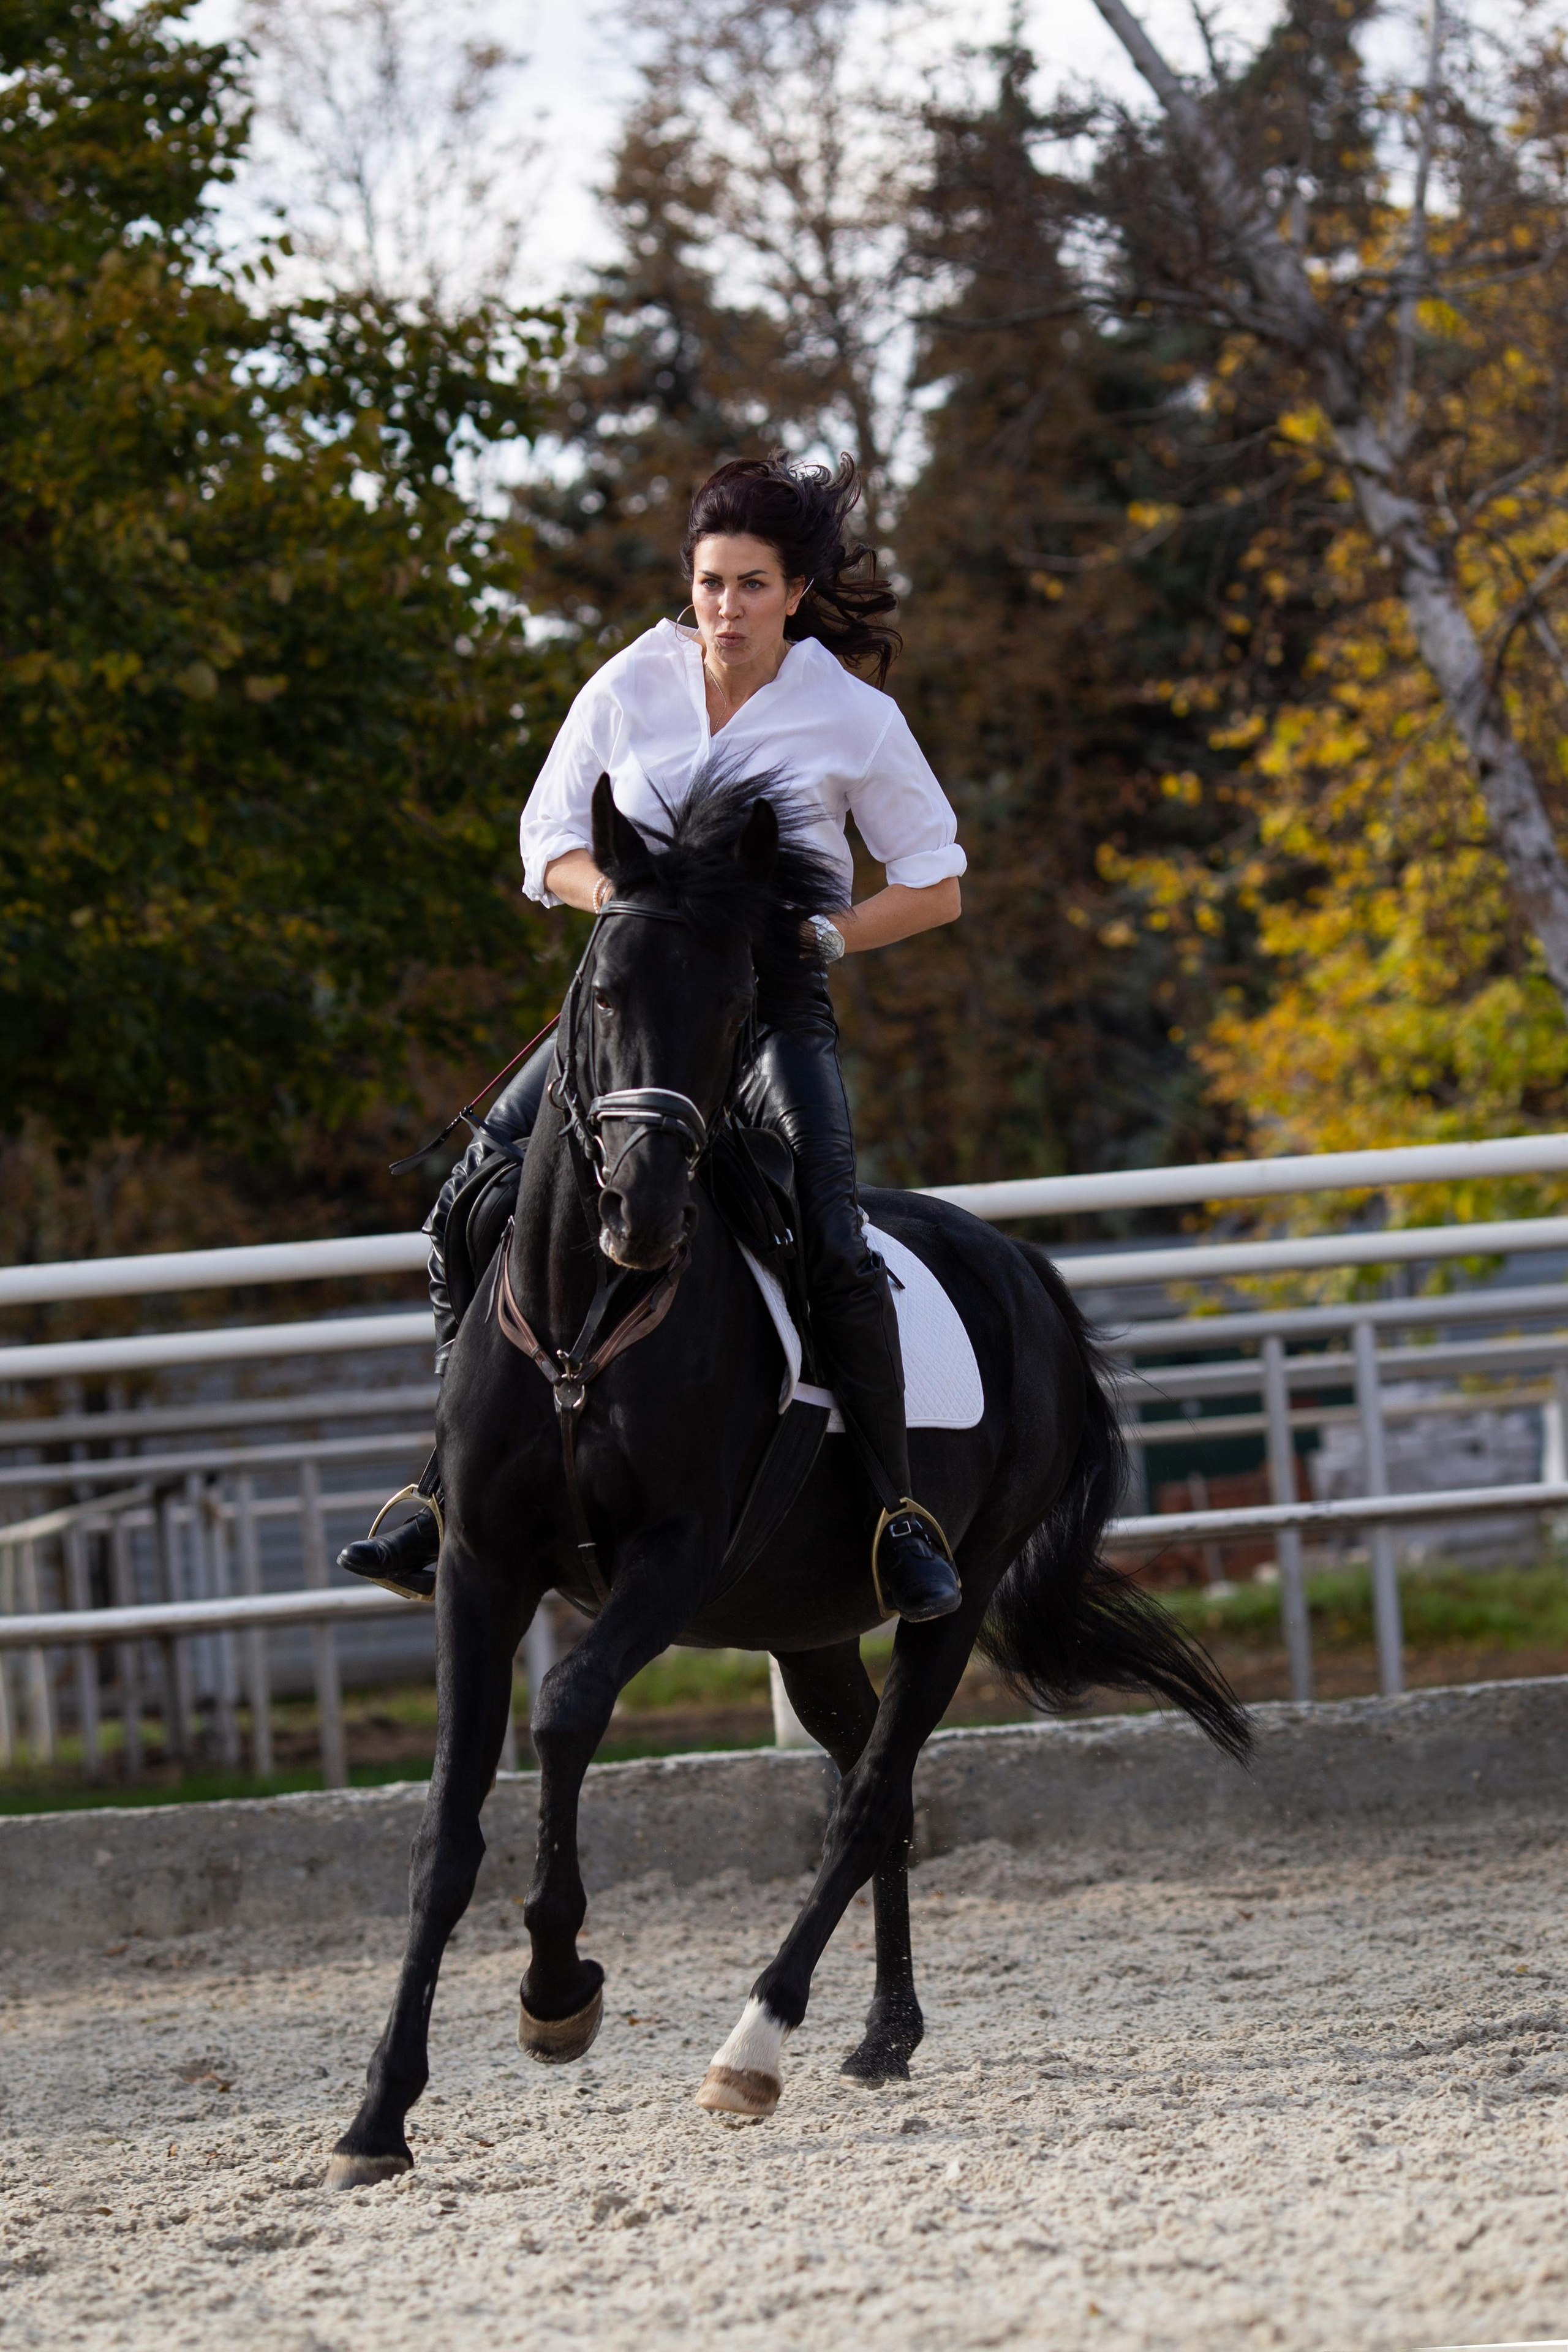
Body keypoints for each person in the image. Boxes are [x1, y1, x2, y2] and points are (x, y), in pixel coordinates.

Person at [341, 452, 967, 1619]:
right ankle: (441, 1490)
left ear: (795, 592)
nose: (723, 610)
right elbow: (545, 843)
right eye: (709, 583)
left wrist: (827, 939)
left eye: (750, 586)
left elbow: (935, 886)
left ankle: (896, 1514)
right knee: (466, 1204)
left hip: (769, 1003)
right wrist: (621, 905)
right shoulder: (630, 681)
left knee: (830, 1230)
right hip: (624, 1011)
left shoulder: (856, 719)